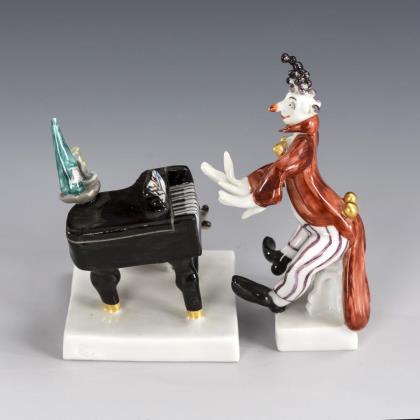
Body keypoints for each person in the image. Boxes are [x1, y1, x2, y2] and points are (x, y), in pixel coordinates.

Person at [201, 53, 370, 331]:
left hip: (334, 232)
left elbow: (281, 168)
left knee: (303, 267)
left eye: (290, 104)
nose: (278, 107)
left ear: (311, 109)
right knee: (305, 229)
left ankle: (277, 298)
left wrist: (256, 195)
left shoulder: (303, 145)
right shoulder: (299, 138)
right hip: (315, 220)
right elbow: (276, 168)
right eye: (285, 101)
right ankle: (281, 258)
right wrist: (249, 183)